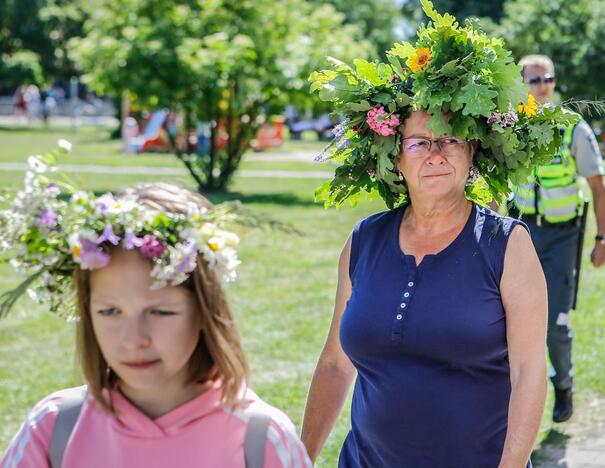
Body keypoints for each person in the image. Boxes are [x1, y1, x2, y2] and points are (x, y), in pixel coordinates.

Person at [300, 3, 566, 466]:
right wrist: (299, 457)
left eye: (451, 140)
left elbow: (528, 372)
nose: (436, 154)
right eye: (419, 142)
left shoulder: (506, 244)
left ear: (472, 154)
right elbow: (335, 364)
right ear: (396, 159)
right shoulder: (364, 241)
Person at [0, 157, 311, 468]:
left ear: (204, 309)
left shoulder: (259, 440)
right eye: (110, 311)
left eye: (160, 312)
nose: (134, 339)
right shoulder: (53, 432)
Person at [511, 54, 605, 423]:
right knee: (508, 320)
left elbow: (598, 187)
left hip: (561, 236)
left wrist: (602, 239)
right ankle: (512, 400)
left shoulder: (573, 128)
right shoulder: (510, 125)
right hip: (520, 232)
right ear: (521, 84)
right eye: (535, 80)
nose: (543, 86)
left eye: (548, 78)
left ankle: (563, 385)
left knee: (554, 322)